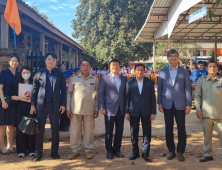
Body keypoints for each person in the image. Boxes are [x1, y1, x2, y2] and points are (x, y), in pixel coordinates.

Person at [30, 52, 66, 161]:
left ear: (56, 61)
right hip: (41, 104)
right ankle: (38, 152)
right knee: (39, 129)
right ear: (45, 60)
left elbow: (63, 91)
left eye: (53, 60)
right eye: (49, 59)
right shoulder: (39, 73)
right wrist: (32, 105)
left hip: (54, 105)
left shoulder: (59, 74)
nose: (51, 61)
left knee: (55, 129)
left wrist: (63, 104)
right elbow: (34, 90)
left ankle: (54, 152)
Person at [157, 49, 192, 162]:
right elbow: (160, 88)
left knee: (181, 128)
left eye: (175, 56)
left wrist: (188, 104)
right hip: (167, 103)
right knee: (168, 128)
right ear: (167, 58)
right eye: (171, 56)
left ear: (178, 57)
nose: (173, 58)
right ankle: (171, 150)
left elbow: (188, 89)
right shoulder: (162, 72)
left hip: (180, 104)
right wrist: (159, 103)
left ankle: (180, 151)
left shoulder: (184, 71)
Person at [66, 60, 99, 160]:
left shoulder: (95, 79)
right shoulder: (74, 79)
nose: (85, 67)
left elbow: (96, 96)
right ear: (80, 67)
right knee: (75, 131)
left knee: (89, 131)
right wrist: (68, 108)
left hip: (89, 109)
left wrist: (96, 109)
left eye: (87, 65)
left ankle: (88, 150)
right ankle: (75, 150)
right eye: (83, 65)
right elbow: (69, 94)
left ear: (90, 67)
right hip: (76, 109)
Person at [125, 64, 156, 162]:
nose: (140, 72)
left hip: (146, 111)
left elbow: (153, 98)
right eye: (138, 70)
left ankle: (145, 153)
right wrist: (126, 111)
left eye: (142, 70)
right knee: (134, 132)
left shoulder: (149, 82)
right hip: (134, 111)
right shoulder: (129, 82)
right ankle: (135, 152)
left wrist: (153, 112)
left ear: (144, 71)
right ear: (134, 71)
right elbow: (127, 98)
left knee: (147, 132)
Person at [98, 59, 127, 159]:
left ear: (120, 66)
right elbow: (100, 94)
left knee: (119, 130)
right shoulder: (104, 78)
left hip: (121, 108)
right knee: (109, 131)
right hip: (109, 108)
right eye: (113, 65)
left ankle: (117, 149)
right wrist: (102, 107)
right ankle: (109, 150)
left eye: (117, 65)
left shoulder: (124, 79)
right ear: (110, 67)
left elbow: (124, 94)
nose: (115, 67)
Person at [195, 61, 222, 162]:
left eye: (214, 67)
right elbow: (197, 96)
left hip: (220, 114)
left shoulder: (221, 81)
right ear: (207, 69)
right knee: (207, 136)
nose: (212, 68)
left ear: (217, 69)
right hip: (206, 114)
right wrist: (198, 109)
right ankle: (208, 154)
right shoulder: (201, 81)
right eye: (210, 67)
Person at [11, 66, 35, 158]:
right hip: (20, 107)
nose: (26, 74)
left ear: (31, 73)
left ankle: (32, 150)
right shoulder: (17, 84)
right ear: (21, 74)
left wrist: (32, 97)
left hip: (31, 107)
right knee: (21, 129)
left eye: (27, 72)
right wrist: (22, 97)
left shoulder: (34, 83)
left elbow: (38, 96)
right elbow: (12, 97)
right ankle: (21, 150)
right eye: (24, 72)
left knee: (31, 128)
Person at [0, 55, 20, 155]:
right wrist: (3, 101)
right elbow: (0, 88)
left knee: (11, 125)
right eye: (13, 61)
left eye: (16, 61)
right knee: (2, 125)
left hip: (14, 103)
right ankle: (1, 146)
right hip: (4, 102)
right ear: (9, 62)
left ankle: (9, 145)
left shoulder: (19, 74)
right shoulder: (4, 73)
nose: (14, 63)